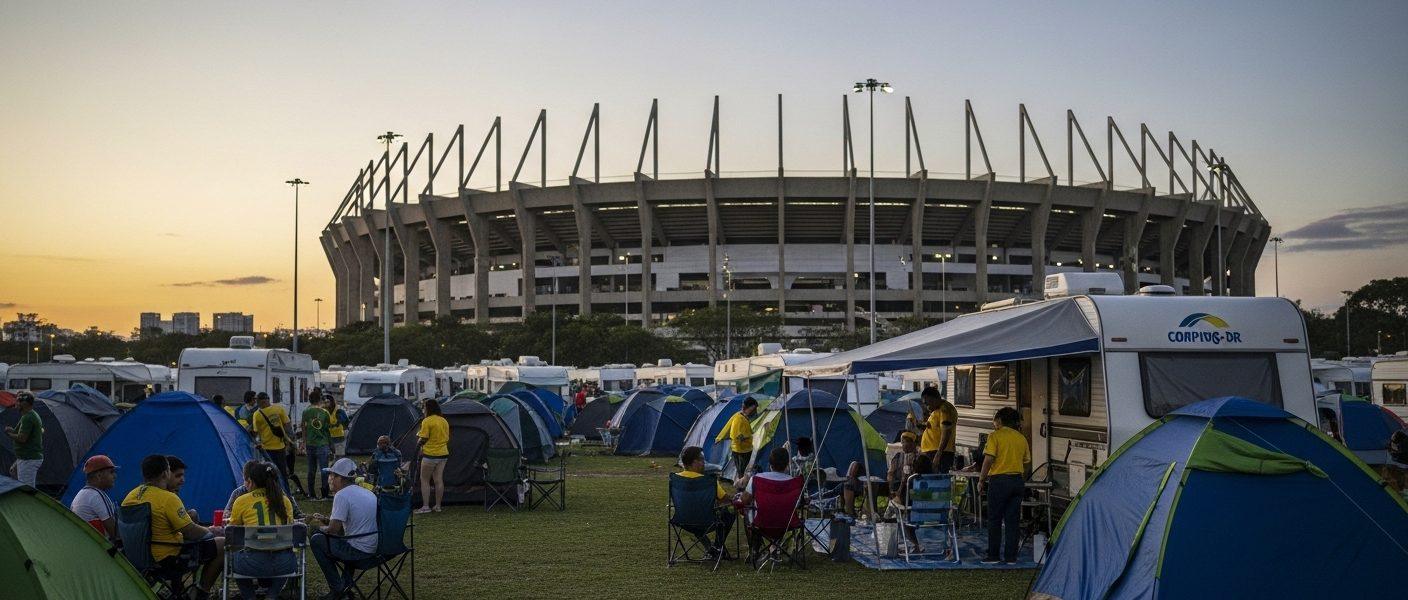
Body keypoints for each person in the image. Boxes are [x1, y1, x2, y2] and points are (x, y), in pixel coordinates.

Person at [122, 454, 225, 599]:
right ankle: (200, 593)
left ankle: (178, 591)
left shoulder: (130, 496)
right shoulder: (168, 498)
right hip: (168, 560)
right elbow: (190, 532)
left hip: (138, 558)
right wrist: (211, 531)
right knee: (222, 544)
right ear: (165, 473)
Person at [309, 458, 379, 599]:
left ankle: (337, 589)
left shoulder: (342, 495)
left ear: (340, 478)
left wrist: (317, 527)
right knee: (339, 539)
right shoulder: (367, 492)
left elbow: (333, 531)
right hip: (373, 547)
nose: (329, 479)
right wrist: (326, 520)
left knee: (316, 538)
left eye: (331, 476)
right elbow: (351, 523)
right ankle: (345, 586)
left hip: (357, 551)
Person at [228, 461, 297, 600]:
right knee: (287, 556)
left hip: (251, 564)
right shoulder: (285, 501)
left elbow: (232, 531)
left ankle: (249, 596)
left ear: (251, 481)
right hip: (284, 564)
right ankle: (272, 595)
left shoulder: (241, 500)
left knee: (231, 558)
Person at [980, 407, 1030, 565]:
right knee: (1012, 521)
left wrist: (981, 479)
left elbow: (988, 460)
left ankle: (993, 555)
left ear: (1000, 420)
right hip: (1017, 481)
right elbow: (1026, 462)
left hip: (999, 481)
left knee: (994, 519)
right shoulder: (1021, 438)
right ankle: (1011, 557)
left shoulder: (995, 436)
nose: (994, 423)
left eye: (995, 419)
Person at [677, 446, 734, 559]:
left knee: (696, 518)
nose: (704, 462)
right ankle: (717, 547)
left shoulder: (676, 479)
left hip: (682, 520)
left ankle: (710, 549)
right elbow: (725, 499)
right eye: (702, 459)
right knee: (728, 513)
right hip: (705, 521)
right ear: (694, 462)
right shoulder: (708, 481)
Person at [71, 454, 120, 541]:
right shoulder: (96, 495)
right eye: (111, 472)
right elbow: (115, 534)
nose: (115, 476)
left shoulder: (81, 493)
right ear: (99, 475)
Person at [416, 398, 450, 513]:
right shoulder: (443, 420)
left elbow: (424, 438)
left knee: (424, 479)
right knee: (438, 480)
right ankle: (438, 506)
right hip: (443, 454)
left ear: (427, 408)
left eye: (424, 407)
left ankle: (425, 507)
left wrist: (419, 440)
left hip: (430, 454)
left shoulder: (427, 421)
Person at [250, 392, 293, 484]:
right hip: (273, 447)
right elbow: (287, 424)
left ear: (264, 400)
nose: (256, 402)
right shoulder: (278, 409)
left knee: (269, 472)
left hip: (271, 447)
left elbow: (256, 432)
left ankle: (278, 489)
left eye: (258, 400)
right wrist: (288, 439)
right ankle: (284, 490)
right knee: (281, 472)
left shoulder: (257, 414)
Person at [914, 386, 957, 473]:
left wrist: (938, 454)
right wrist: (923, 426)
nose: (927, 406)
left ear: (935, 398)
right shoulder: (936, 410)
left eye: (927, 403)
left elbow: (946, 433)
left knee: (936, 480)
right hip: (932, 451)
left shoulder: (945, 410)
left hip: (940, 453)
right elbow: (936, 427)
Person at [4, 391, 43, 487]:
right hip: (24, 457)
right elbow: (23, 433)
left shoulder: (28, 417)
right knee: (14, 471)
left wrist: (9, 434)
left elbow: (22, 438)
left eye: (18, 401)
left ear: (24, 403)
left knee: (27, 488)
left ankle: (29, 501)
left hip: (29, 458)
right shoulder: (27, 415)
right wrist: (13, 431)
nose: (16, 403)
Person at [716, 397, 758, 479]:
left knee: (741, 471)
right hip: (742, 450)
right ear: (748, 407)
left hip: (741, 449)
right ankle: (741, 488)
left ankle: (741, 486)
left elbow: (727, 427)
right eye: (753, 408)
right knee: (742, 471)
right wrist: (751, 436)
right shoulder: (739, 419)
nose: (755, 411)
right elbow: (736, 435)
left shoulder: (739, 415)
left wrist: (720, 437)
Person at [302, 394, 333, 500]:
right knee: (324, 469)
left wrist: (304, 442)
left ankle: (312, 495)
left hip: (310, 444)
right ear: (320, 400)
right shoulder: (325, 413)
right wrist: (331, 444)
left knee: (311, 470)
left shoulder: (306, 412)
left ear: (309, 401)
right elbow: (327, 430)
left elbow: (304, 428)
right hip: (322, 444)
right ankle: (325, 493)